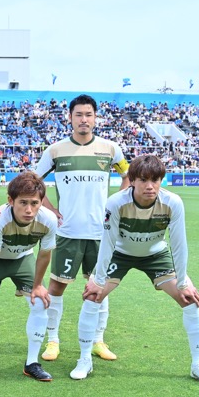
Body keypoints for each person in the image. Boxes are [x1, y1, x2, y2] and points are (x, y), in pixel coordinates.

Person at [75, 155, 199, 385]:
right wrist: (98, 279)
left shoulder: (173, 203)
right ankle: (84, 359)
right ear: (132, 180)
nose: (150, 186)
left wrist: (183, 283)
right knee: (93, 296)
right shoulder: (116, 203)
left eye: (155, 179)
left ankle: (198, 365)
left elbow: (179, 245)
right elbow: (107, 243)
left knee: (190, 300)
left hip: (156, 255)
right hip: (120, 254)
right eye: (143, 180)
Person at [34, 94, 129, 362]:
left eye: (88, 115)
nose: (84, 119)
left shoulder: (110, 149)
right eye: (79, 115)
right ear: (70, 118)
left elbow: (127, 175)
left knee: (100, 287)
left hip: (101, 234)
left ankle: (98, 339)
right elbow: (33, 181)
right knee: (57, 287)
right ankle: (53, 340)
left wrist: (117, 206)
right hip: (68, 232)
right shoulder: (55, 150)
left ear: (95, 118)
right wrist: (50, 210)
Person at [0, 172, 58, 384]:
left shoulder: (48, 220)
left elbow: (44, 254)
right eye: (23, 203)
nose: (29, 210)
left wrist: (38, 285)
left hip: (22, 258)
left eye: (34, 203)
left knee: (41, 302)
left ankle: (32, 363)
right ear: (10, 201)